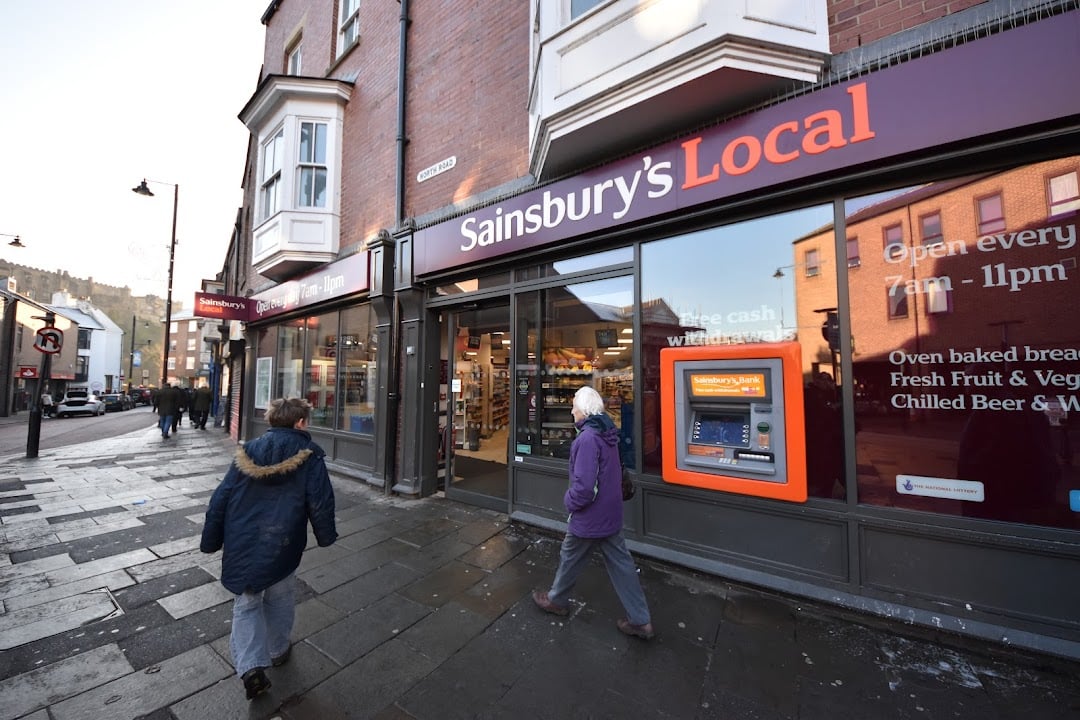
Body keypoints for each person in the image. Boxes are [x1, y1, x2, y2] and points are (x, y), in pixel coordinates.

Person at [200, 398, 337, 700]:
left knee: (246, 604)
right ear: (300, 422)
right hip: (282, 539)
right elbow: (320, 500)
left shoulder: (247, 451)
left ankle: (250, 667)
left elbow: (221, 497)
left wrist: (211, 539)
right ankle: (277, 649)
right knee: (280, 596)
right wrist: (325, 535)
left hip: (242, 538)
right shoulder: (310, 455)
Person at [532, 385, 653, 640]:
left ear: (584, 410)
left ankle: (557, 600)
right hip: (610, 512)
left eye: (574, 405)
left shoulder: (586, 439)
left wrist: (570, 501)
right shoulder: (607, 432)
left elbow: (585, 488)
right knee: (621, 564)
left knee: (570, 554)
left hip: (590, 516)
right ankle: (641, 620)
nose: (571, 409)